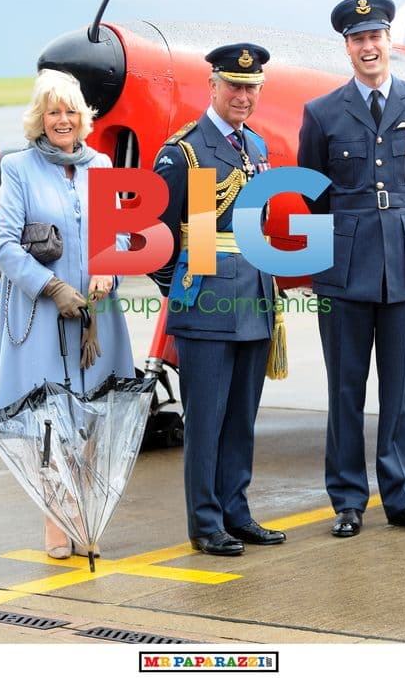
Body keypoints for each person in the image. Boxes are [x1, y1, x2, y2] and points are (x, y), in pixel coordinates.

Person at [297, 0, 405, 537]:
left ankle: (401, 496)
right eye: (358, 39)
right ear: (347, 48)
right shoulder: (321, 113)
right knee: (345, 389)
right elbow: (314, 193)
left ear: (390, 41)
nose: (368, 47)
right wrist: (355, 230)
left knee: (400, 389)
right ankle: (347, 500)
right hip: (344, 271)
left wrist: (404, 227)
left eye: (375, 37)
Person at [0, 68, 135, 558]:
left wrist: (108, 268)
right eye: (53, 111)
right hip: (42, 315)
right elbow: (5, 245)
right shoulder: (19, 167)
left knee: (94, 413)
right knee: (49, 418)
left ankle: (84, 511)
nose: (63, 120)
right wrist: (52, 287)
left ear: (82, 117)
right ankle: (56, 515)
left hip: (97, 315)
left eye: (71, 111)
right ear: (40, 117)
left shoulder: (102, 165)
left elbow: (121, 235)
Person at [151, 43, 286, 556]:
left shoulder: (257, 146)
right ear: (212, 86)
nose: (243, 96)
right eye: (234, 85)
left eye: (252, 87)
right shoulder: (184, 151)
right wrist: (185, 293)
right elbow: (157, 241)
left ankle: (236, 512)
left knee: (241, 420)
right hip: (206, 306)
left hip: (255, 300)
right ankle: (206, 523)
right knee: (206, 422)